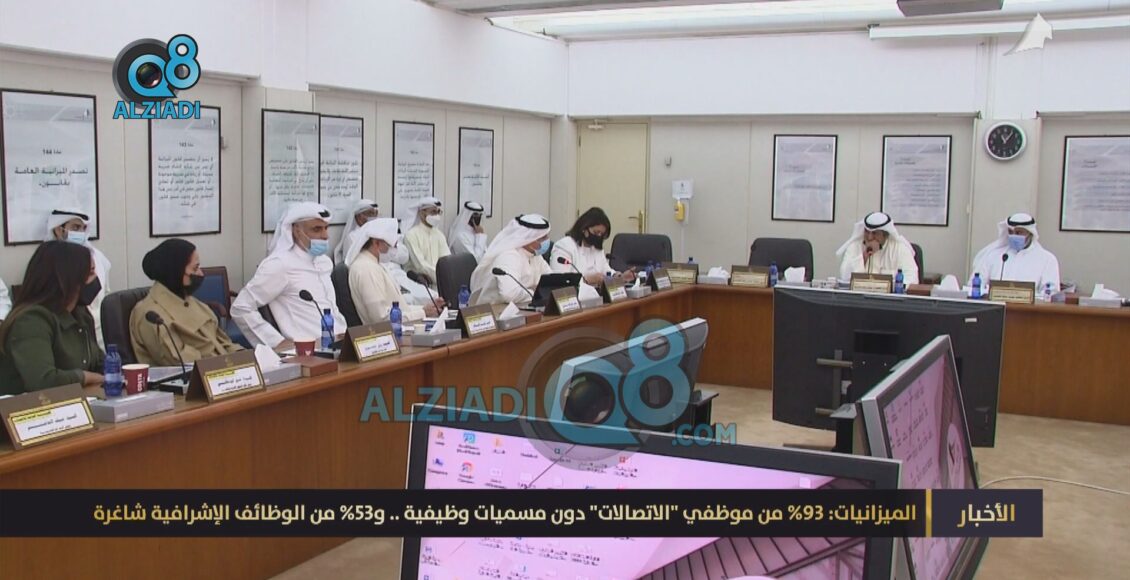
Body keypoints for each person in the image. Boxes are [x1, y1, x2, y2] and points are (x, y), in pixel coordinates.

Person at [231, 202, 347, 348]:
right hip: (309, 351)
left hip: (341, 342)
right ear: (297, 231)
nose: (325, 236)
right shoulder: (279, 264)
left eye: (326, 228)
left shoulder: (324, 262)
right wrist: (276, 342)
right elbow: (241, 308)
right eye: (317, 229)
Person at [0, 241, 104, 395]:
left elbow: (99, 362)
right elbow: (43, 382)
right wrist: (86, 377)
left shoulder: (80, 314)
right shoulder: (31, 321)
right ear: (68, 279)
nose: (96, 279)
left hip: (79, 401)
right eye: (90, 273)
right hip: (30, 407)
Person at [130, 239, 242, 366]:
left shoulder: (194, 303)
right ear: (175, 271)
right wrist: (225, 365)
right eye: (195, 268)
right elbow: (179, 360)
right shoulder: (150, 315)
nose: (200, 273)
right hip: (198, 374)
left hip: (223, 370)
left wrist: (246, 358)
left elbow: (224, 343)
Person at [345, 218, 443, 325]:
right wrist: (423, 313)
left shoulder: (374, 264)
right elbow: (381, 318)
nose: (394, 250)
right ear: (376, 243)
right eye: (392, 246)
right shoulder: (366, 269)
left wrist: (427, 309)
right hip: (387, 333)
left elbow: (400, 309)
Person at [45, 208, 111, 347]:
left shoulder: (96, 257)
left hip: (100, 329)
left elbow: (105, 293)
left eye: (83, 228)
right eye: (75, 227)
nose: (81, 233)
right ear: (58, 230)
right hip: (66, 331)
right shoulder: (48, 261)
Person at [469, 214, 553, 306]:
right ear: (528, 238)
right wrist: (536, 294)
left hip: (521, 307)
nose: (547, 240)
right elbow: (509, 294)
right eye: (543, 238)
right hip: (494, 309)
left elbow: (552, 281)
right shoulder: (509, 256)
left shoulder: (535, 255)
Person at [969, 212, 1060, 292]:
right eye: (1010, 232)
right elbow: (974, 285)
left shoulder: (1047, 259)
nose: (1013, 235)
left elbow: (1050, 293)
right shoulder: (994, 255)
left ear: (1030, 233)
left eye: (1019, 232)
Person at [550, 207, 636, 285]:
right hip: (574, 295)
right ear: (584, 228)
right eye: (596, 232)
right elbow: (560, 282)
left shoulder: (596, 248)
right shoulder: (565, 246)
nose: (598, 236)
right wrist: (587, 279)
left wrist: (619, 277)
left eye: (601, 234)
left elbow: (606, 270)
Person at [836, 211, 919, 284]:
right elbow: (844, 277)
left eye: (875, 233)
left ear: (885, 235)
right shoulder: (855, 246)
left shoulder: (899, 249)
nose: (869, 237)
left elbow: (912, 280)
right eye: (867, 232)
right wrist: (864, 257)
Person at [403, 197, 450, 284]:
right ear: (421, 213)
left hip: (441, 283)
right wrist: (443, 277)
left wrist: (447, 276)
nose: (436, 216)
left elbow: (447, 260)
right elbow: (420, 265)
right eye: (433, 212)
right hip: (419, 285)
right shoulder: (411, 235)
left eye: (438, 212)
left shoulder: (439, 235)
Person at [333, 199, 380, 264]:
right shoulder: (351, 237)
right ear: (359, 216)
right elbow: (350, 262)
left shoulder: (378, 234)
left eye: (375, 214)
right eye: (370, 214)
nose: (373, 217)